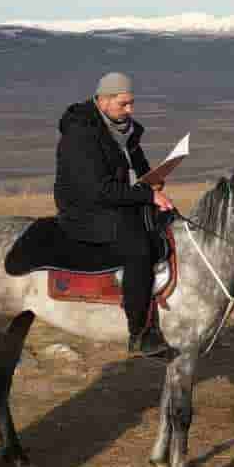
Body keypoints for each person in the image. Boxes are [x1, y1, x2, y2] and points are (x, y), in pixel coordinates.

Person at [53, 72, 176, 356]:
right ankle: (140, 332)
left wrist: (152, 180)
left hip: (117, 202)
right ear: (104, 100)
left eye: (132, 103)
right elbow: (99, 190)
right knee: (138, 247)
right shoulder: (79, 134)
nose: (130, 110)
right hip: (85, 211)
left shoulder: (124, 129)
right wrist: (147, 194)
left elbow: (139, 168)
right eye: (124, 104)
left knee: (169, 224)